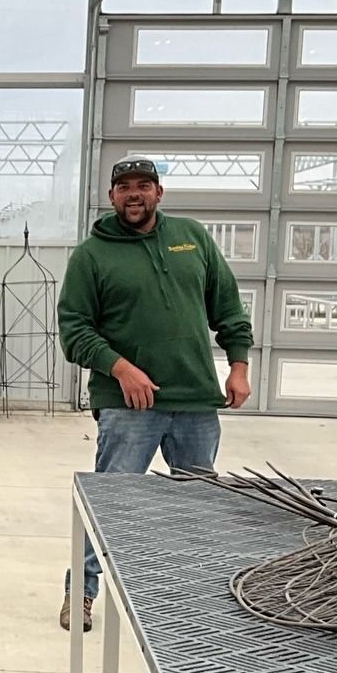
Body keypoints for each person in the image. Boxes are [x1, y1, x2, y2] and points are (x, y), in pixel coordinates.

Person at [57, 155, 254, 632]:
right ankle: (79, 593)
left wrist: (239, 365)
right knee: (110, 504)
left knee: (198, 505)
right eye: (124, 186)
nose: (134, 194)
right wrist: (121, 369)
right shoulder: (91, 255)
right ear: (111, 197)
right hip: (128, 408)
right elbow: (74, 329)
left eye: (144, 185)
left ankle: (197, 593)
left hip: (194, 401)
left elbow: (226, 303)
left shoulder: (193, 237)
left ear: (159, 193)